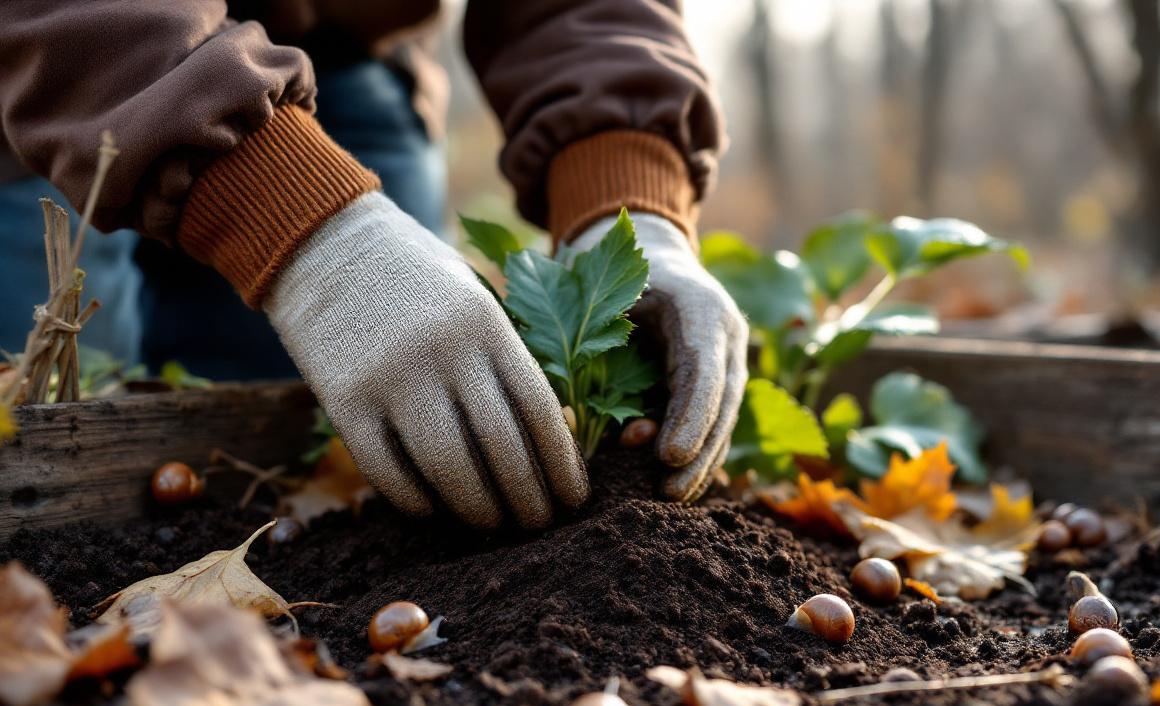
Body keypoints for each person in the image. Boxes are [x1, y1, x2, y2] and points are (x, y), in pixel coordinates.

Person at [0, 1, 748, 529]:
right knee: (53, 444)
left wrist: (627, 192)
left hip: (345, 50)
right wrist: (299, 222)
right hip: (59, 48)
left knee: (343, 456)